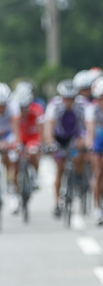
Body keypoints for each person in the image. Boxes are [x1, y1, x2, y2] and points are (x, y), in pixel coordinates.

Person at [44, 80, 88, 218]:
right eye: (66, 99)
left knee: (80, 154)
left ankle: (79, 174)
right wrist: (50, 143)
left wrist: (85, 141)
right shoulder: (54, 106)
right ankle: (56, 204)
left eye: (71, 99)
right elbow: (48, 127)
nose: (69, 102)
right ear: (61, 97)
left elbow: (88, 125)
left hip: (75, 137)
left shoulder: (83, 105)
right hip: (59, 138)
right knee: (60, 169)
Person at [85, 76, 103, 225]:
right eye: (101, 98)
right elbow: (90, 131)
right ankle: (97, 207)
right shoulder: (91, 108)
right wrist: (90, 148)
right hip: (98, 139)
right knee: (98, 172)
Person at [9, 83, 43, 213]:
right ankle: (14, 188)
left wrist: (40, 143)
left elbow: (41, 129)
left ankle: (35, 175)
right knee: (14, 162)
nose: (23, 111)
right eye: (20, 108)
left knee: (33, 152)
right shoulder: (14, 112)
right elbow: (13, 130)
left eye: (25, 108)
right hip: (18, 137)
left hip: (32, 137)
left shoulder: (36, 110)